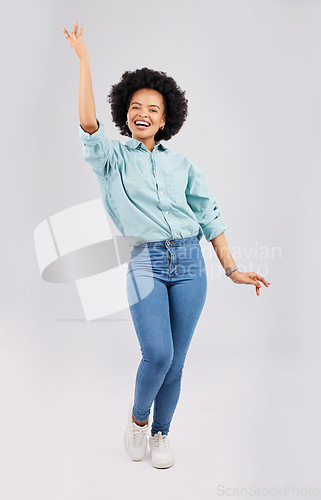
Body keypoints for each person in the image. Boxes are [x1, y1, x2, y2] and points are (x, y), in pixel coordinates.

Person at [63, 21, 271, 469]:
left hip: (191, 264)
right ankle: (139, 421)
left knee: (176, 362)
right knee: (157, 353)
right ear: (125, 112)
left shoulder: (183, 165)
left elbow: (209, 216)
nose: (143, 113)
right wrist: (85, 61)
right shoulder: (112, 159)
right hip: (147, 263)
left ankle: (161, 434)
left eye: (153, 109)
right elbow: (87, 125)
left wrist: (232, 268)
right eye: (135, 107)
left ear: (165, 118)